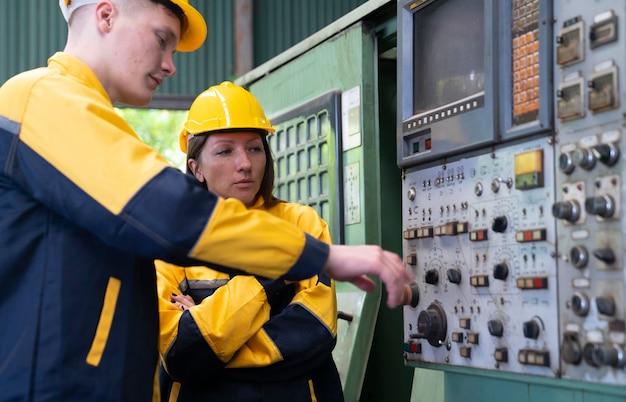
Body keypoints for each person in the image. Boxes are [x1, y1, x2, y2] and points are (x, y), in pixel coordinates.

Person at [0, 0, 412, 400]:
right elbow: (169, 212)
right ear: (106, 15)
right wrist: (320, 258)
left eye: (253, 148)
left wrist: (205, 319)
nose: (170, 65)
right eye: (162, 39)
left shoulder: (82, 115)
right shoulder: (40, 98)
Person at [156, 81, 344, 401]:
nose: (245, 164)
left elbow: (315, 334)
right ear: (195, 167)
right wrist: (270, 277)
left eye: (254, 148)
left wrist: (210, 342)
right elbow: (179, 352)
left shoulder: (301, 225)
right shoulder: (170, 240)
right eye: (225, 150)